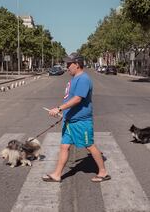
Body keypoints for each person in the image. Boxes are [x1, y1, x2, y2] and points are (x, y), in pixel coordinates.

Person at [42, 54, 110, 183]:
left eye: (69, 64)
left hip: (81, 121)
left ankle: (103, 172)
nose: (67, 67)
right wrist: (65, 113)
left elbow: (78, 99)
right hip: (70, 120)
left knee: (89, 145)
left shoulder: (83, 79)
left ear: (77, 64)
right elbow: (70, 98)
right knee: (64, 146)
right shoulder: (74, 79)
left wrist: (59, 108)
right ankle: (57, 174)